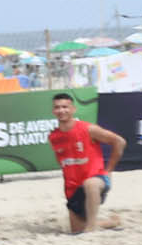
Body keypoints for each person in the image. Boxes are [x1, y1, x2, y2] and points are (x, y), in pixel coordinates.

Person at [48, 92, 124, 233]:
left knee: (91, 184)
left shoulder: (88, 129)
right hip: (73, 189)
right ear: (53, 111)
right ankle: (110, 222)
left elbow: (119, 142)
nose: (61, 110)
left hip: (97, 181)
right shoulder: (54, 136)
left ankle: (91, 229)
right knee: (77, 229)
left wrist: (109, 170)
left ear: (73, 109)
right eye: (57, 107)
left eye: (65, 107)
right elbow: (64, 163)